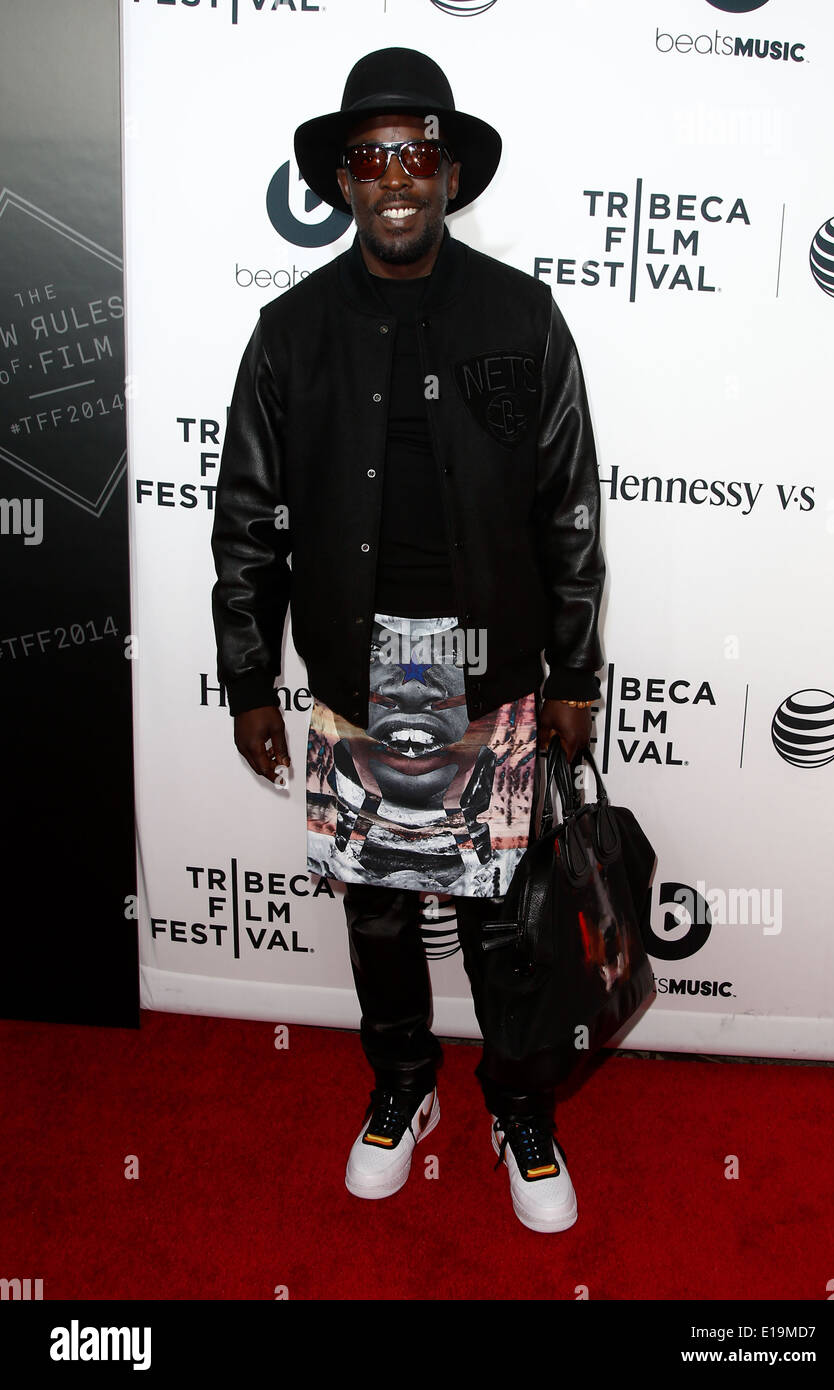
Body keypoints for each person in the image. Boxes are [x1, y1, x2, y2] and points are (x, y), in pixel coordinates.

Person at [211, 47, 605, 1234]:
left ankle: (518, 1103)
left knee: (499, 912)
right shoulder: (289, 332)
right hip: (354, 672)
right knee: (377, 908)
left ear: (447, 173)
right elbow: (246, 522)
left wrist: (578, 669)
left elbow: (567, 507)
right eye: (372, 156)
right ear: (341, 179)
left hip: (490, 671)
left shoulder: (519, 316)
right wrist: (246, 679)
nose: (395, 177)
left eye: (416, 153)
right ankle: (399, 1086)